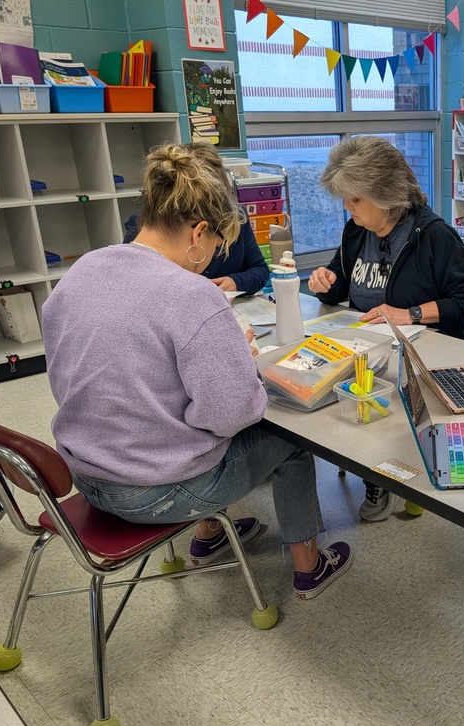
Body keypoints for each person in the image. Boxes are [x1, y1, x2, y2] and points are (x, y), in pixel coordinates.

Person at [43, 143, 351, 600]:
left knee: (180, 420)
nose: (211, 256)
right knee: (288, 440)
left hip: (85, 475)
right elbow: (231, 416)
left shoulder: (85, 269)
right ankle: (308, 565)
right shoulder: (191, 294)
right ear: (198, 232)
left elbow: (84, 373)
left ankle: (210, 533)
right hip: (154, 492)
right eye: (215, 245)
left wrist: (212, 364)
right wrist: (239, 366)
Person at [309, 136, 464, 522]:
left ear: (385, 194)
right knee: (334, 393)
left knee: (373, 395)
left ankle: (393, 469)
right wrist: (326, 279)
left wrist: (411, 313)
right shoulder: (356, 231)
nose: (347, 207)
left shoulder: (433, 234)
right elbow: (346, 282)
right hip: (371, 349)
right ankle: (375, 468)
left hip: (427, 357)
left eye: (355, 199)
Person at [123, 213, 269, 296]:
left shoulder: (236, 217)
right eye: (218, 243)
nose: (218, 247)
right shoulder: (143, 226)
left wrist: (236, 282)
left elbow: (260, 269)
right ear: (199, 233)